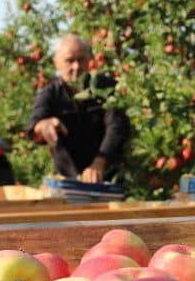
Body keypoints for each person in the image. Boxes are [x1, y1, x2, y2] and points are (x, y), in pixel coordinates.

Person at [27, 34, 130, 183]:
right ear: (57, 63)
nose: (76, 67)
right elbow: (35, 125)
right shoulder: (50, 94)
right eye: (69, 61)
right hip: (69, 182)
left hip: (109, 178)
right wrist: (44, 126)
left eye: (81, 60)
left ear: (89, 60)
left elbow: (116, 126)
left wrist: (99, 163)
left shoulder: (106, 88)